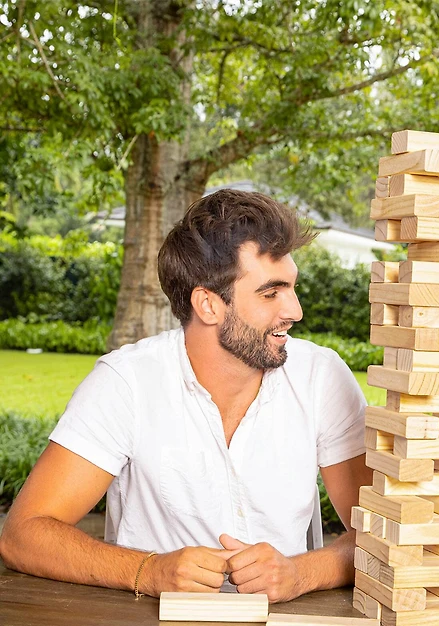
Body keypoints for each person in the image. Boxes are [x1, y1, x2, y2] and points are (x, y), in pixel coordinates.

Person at [0, 189, 373, 601]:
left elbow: (383, 536)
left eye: (292, 288)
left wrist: (301, 574)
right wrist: (149, 570)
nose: (295, 310)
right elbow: (23, 534)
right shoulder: (127, 383)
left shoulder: (322, 377)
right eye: (271, 293)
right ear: (208, 305)